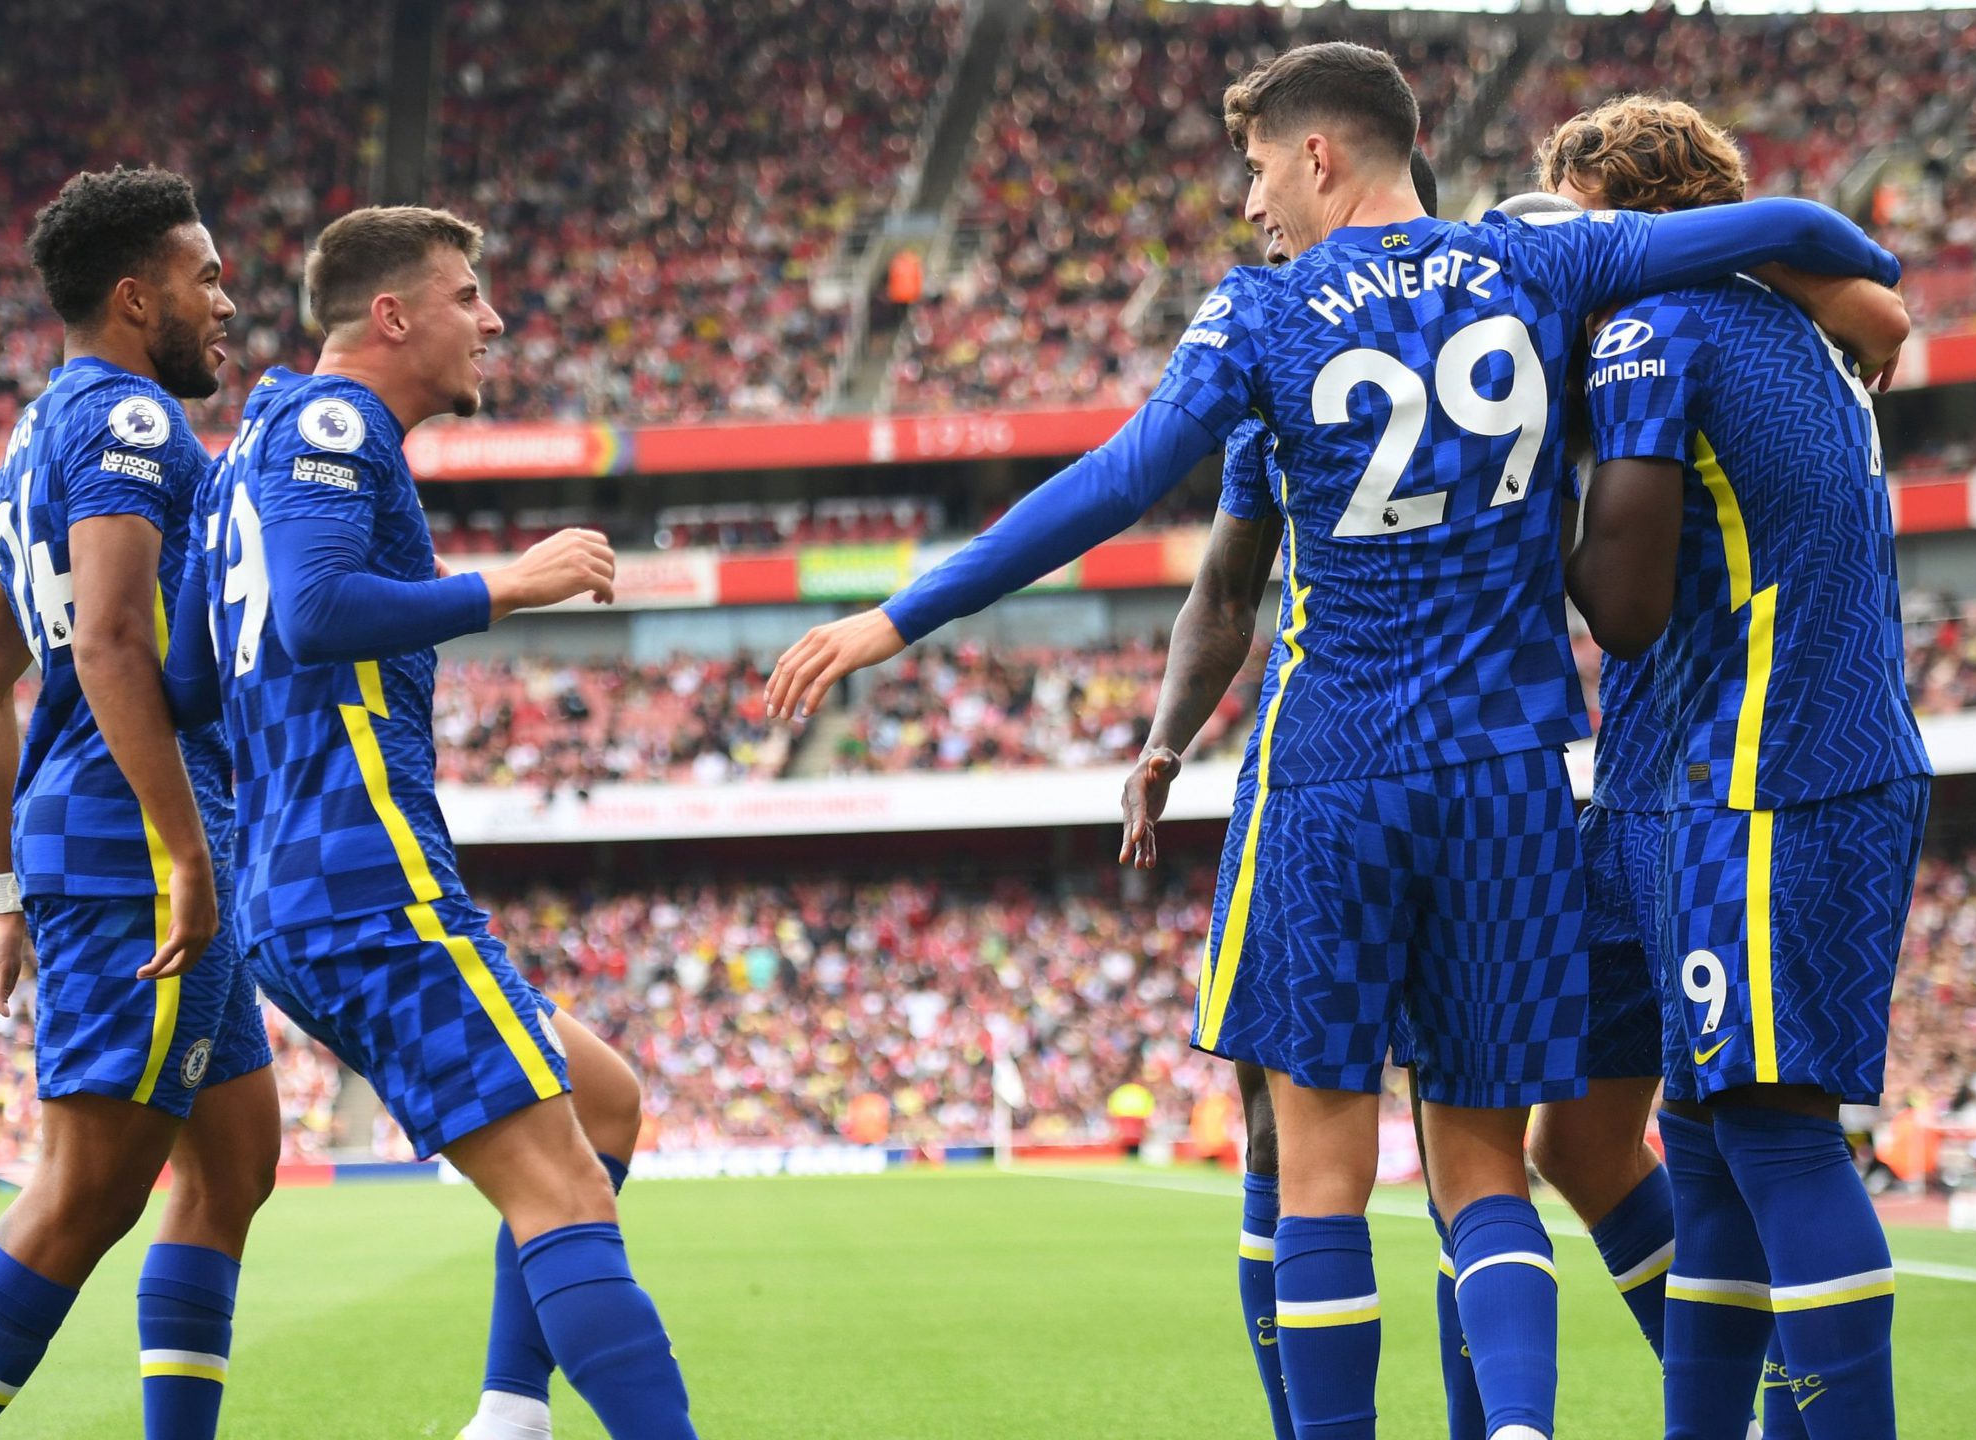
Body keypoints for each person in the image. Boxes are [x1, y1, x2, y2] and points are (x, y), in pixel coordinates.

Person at [769, 41, 1904, 1440]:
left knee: (1318, 1169)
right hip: (1511, 782)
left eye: (1256, 168)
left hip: (1335, 769)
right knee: (1485, 1171)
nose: (1251, 202)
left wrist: (902, 616)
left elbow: (1116, 484)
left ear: (1320, 156)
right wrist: (1862, 310)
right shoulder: (1542, 266)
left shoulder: (1259, 312)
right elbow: (1803, 232)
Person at [186, 205, 694, 1438]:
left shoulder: (247, 459)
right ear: (392, 315)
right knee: (563, 1191)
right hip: (361, 879)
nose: (494, 319)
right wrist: (504, 584)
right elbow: (307, 615)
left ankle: (510, 1418)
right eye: (469, 295)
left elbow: (198, 680)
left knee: (605, 1100)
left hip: (297, 882)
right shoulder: (328, 418)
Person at [1551, 96, 1934, 1439]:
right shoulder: (1794, 328)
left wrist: (1514, 506)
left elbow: (1627, 607)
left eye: (1573, 223)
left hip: (1761, 783)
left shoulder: (1653, 331)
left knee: (1768, 1132)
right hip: (1737, 774)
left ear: (1614, 211)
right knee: (1707, 1147)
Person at [0, 166, 278, 1440]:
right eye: (206, 277)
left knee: (232, 1166)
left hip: (98, 838)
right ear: (136, 296)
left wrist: (0, 897)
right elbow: (114, 640)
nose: (226, 301)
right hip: (139, 844)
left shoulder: (38, 432)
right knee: (82, 1196)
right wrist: (185, 849)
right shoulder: (132, 425)